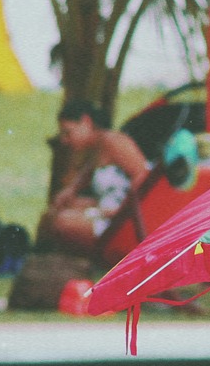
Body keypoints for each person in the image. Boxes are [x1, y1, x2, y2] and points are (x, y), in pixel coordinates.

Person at [43, 99, 150, 254]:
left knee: (62, 223)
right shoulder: (96, 147)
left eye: (68, 133)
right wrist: (70, 191)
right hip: (108, 209)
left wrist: (121, 211)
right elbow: (88, 172)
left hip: (122, 220)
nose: (65, 140)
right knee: (52, 214)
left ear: (86, 122)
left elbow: (143, 178)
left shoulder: (114, 142)